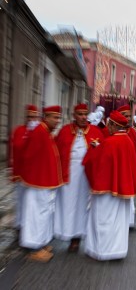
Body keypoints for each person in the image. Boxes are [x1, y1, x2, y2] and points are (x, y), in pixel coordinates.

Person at [83, 110, 136, 261]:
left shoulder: (109, 142)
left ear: (112, 125)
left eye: (109, 124)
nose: (108, 128)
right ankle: (118, 250)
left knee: (103, 219)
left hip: (107, 190)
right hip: (123, 189)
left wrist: (93, 149)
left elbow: (96, 164)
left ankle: (102, 251)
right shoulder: (128, 141)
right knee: (119, 222)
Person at [54, 103, 104, 253]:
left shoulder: (95, 131)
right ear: (74, 116)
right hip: (68, 175)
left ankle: (80, 237)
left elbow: (103, 153)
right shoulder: (64, 131)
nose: (83, 117)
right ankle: (70, 235)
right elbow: (55, 153)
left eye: (85, 114)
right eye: (80, 114)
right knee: (68, 206)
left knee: (84, 205)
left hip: (86, 176)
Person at [20, 105, 63, 262]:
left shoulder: (46, 132)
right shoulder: (40, 132)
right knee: (36, 214)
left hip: (44, 181)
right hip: (38, 182)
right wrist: (35, 177)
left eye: (59, 118)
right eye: (55, 118)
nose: (58, 121)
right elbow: (30, 157)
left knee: (44, 213)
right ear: (46, 117)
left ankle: (41, 243)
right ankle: (34, 248)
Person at [9, 104, 40, 237]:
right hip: (20, 172)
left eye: (34, 117)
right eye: (29, 117)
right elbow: (16, 147)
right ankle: (19, 225)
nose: (31, 119)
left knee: (31, 202)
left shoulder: (39, 133)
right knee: (20, 199)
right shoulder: (18, 130)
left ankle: (29, 227)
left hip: (33, 174)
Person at [117, 104, 136, 229]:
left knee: (129, 197)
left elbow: (135, 152)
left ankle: (130, 221)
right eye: (125, 116)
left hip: (129, 169)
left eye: (130, 116)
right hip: (118, 170)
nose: (128, 118)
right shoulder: (113, 131)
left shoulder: (132, 132)